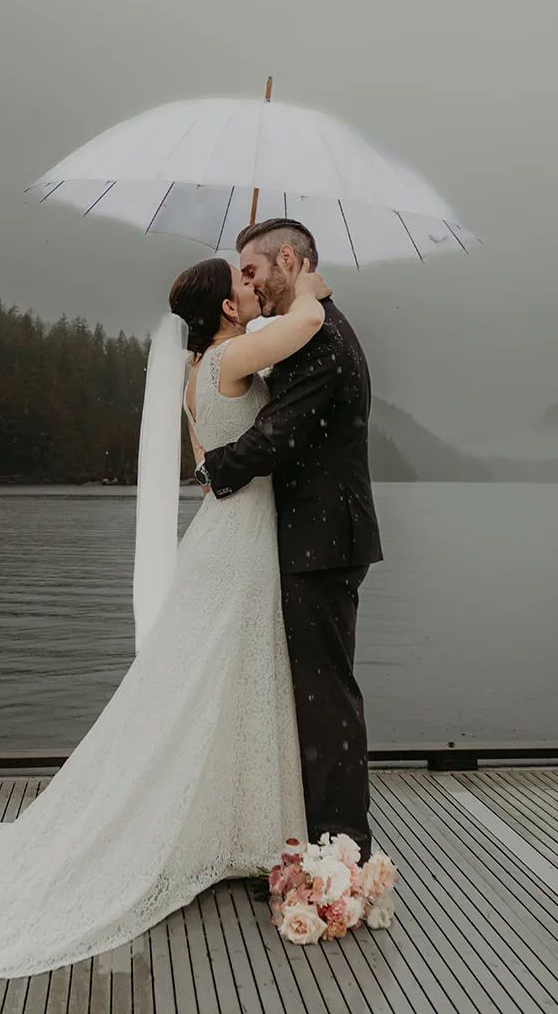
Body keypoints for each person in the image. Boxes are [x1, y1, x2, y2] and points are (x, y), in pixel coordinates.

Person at [0, 255, 332, 978]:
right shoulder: (237, 354)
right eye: (243, 284)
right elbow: (306, 322)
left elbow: (208, 457)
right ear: (221, 307)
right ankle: (243, 832)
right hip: (239, 543)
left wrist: (260, 294)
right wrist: (307, 282)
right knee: (235, 673)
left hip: (219, 535)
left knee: (218, 678)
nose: (256, 288)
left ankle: (240, 831)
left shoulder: (195, 373)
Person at [195, 218, 383, 863]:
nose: (250, 284)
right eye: (239, 278)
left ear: (286, 259)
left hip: (323, 539)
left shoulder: (322, 336)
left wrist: (211, 469)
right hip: (314, 535)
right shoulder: (311, 328)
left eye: (253, 271)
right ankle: (308, 830)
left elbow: (278, 436)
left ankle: (343, 850)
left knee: (325, 695)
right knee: (310, 691)